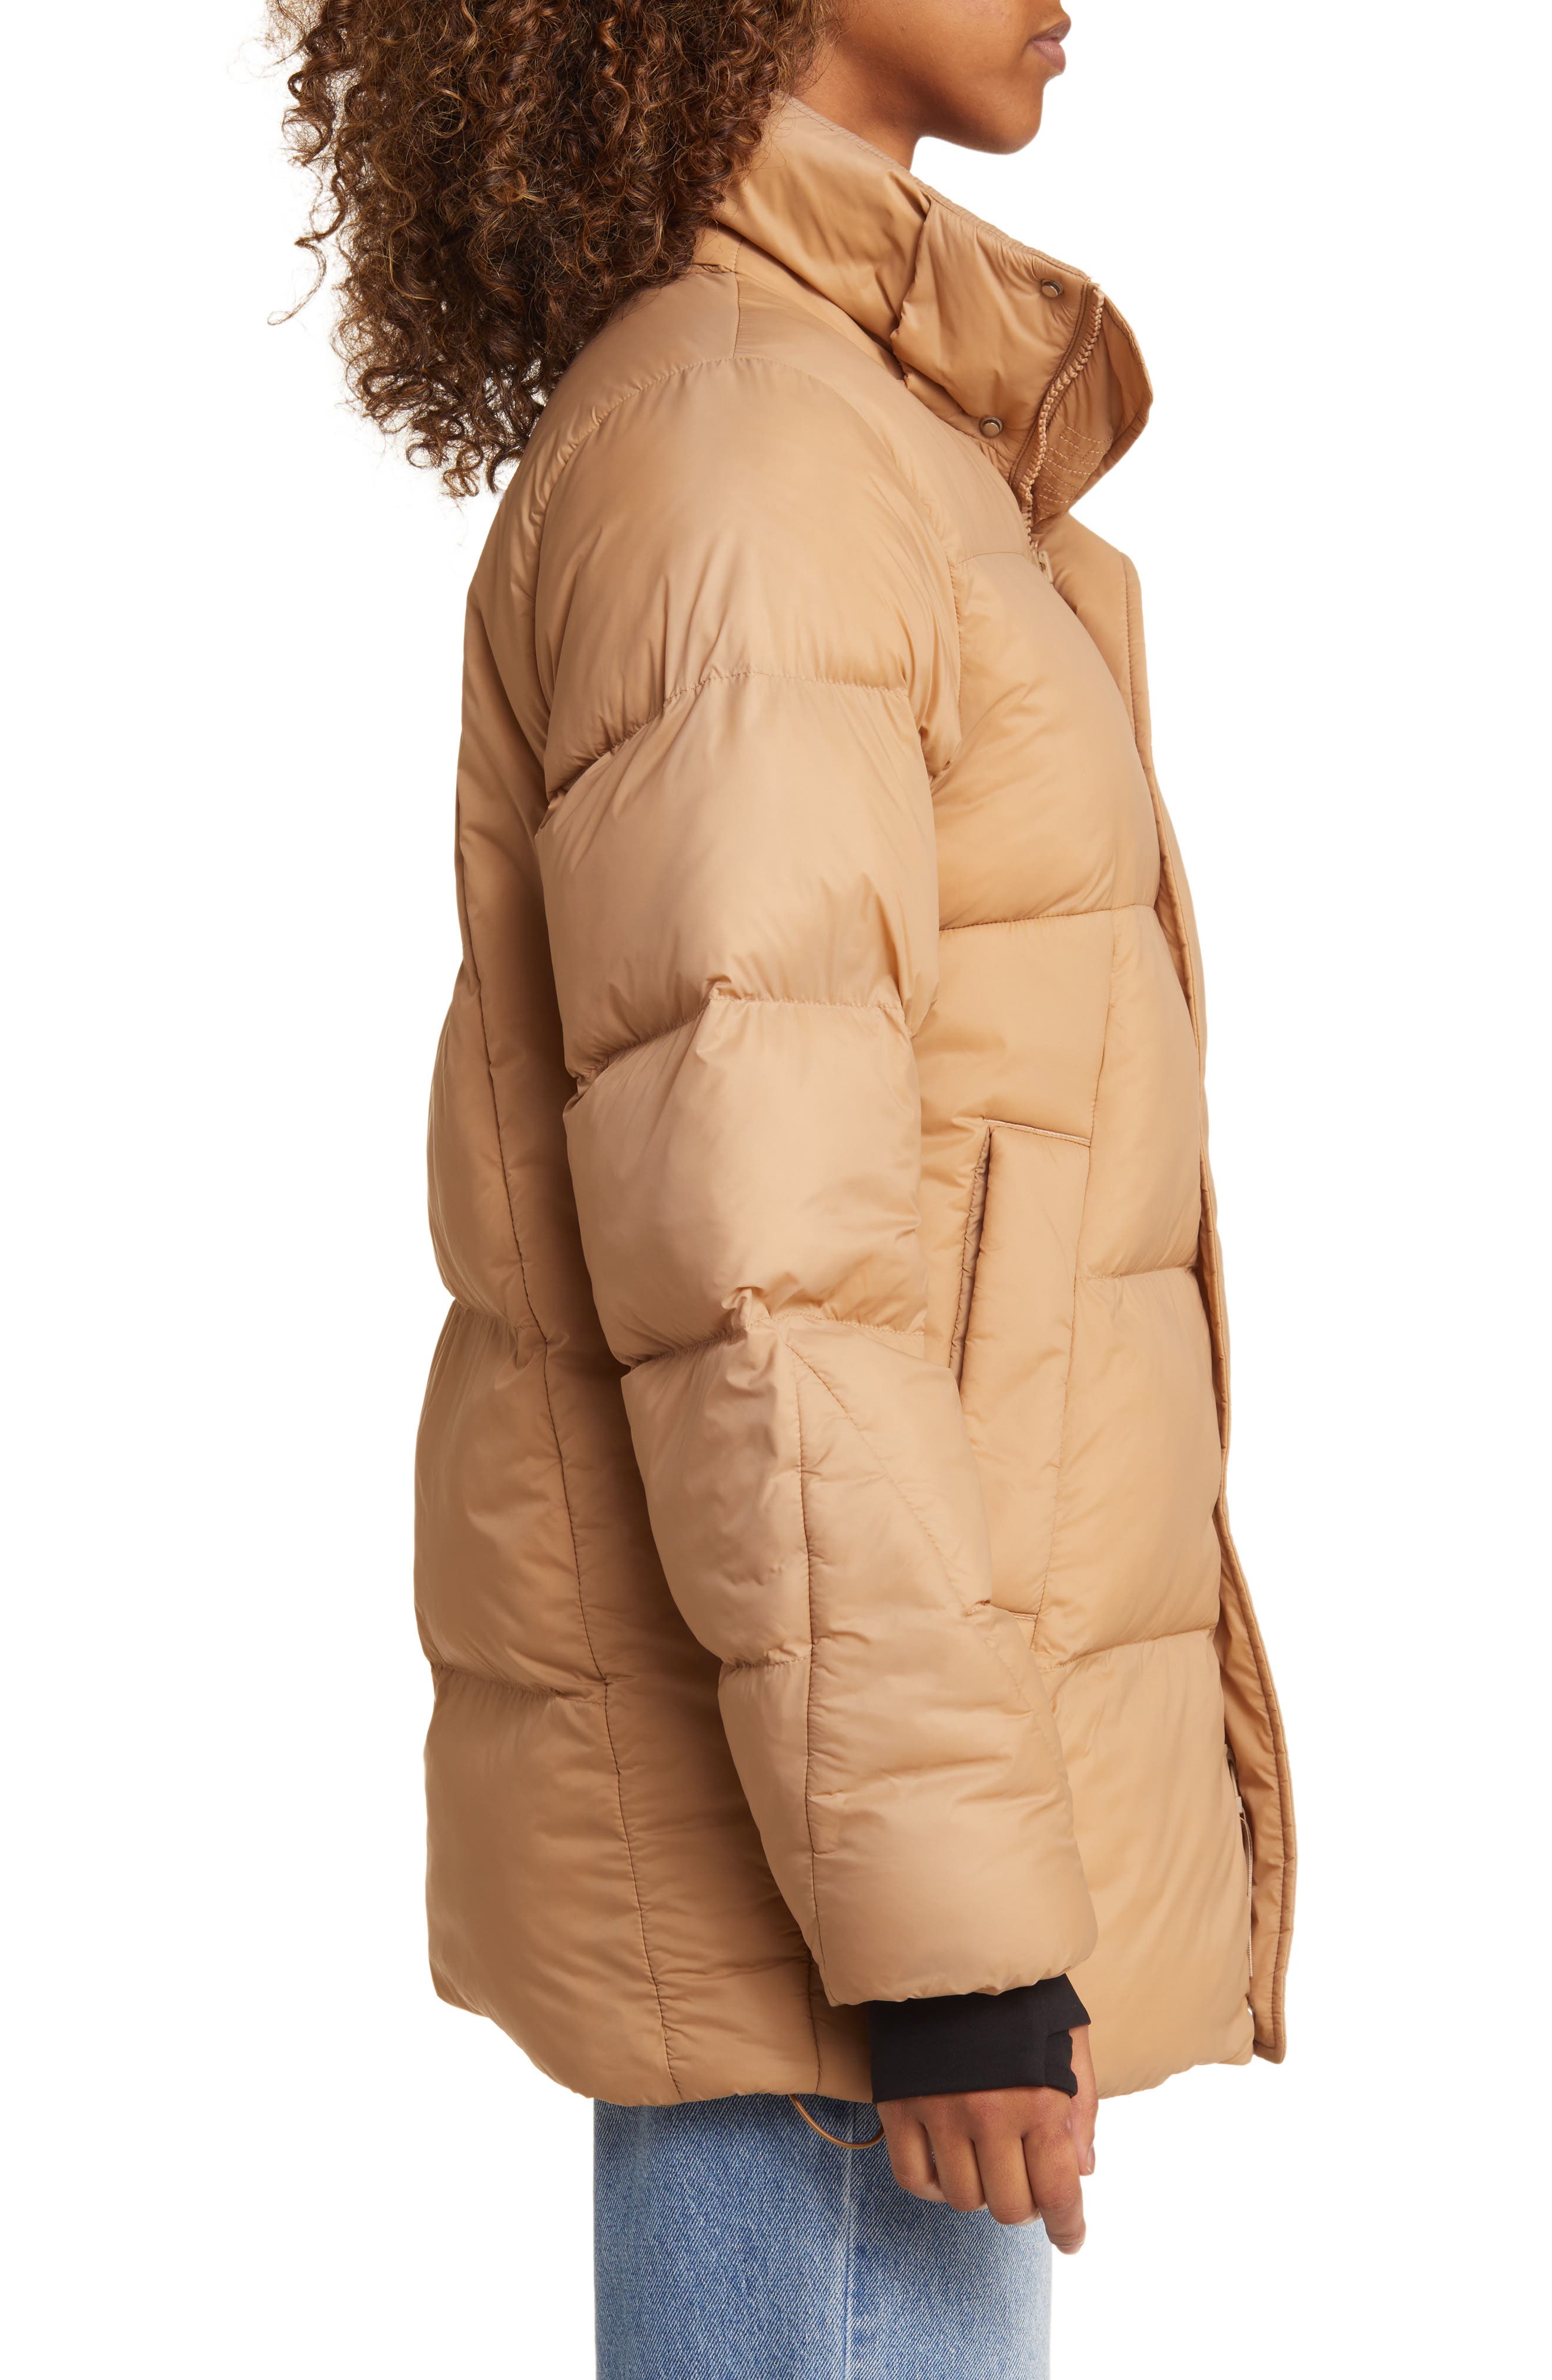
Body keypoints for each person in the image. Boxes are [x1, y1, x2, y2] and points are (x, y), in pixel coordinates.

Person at [276, 4, 1295, 2372]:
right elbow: (758, 1254)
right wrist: (941, 1941)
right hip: (850, 1911)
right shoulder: (747, 445)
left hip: (875, 1826)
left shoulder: (840, 420)